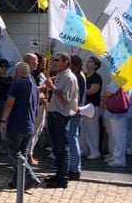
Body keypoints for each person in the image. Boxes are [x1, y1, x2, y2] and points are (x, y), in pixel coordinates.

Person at [0, 61, 41, 190]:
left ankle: (30, 176)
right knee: (22, 154)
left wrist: (3, 120)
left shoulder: (17, 84)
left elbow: (9, 103)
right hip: (29, 125)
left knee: (15, 154)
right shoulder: (34, 87)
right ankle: (17, 182)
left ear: (18, 72)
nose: (13, 73)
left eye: (15, 71)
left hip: (16, 124)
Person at [41, 53, 78, 188]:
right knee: (56, 148)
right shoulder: (59, 76)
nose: (53, 62)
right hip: (53, 114)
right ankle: (58, 174)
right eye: (53, 60)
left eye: (56, 60)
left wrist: (52, 87)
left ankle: (63, 179)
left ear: (66, 62)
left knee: (62, 148)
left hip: (61, 116)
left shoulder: (69, 78)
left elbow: (65, 101)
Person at [24, 53, 48, 167]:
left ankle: (30, 152)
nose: (40, 64)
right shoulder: (28, 75)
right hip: (35, 106)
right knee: (32, 131)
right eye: (38, 62)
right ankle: (28, 154)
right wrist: (43, 89)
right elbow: (31, 90)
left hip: (42, 105)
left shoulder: (41, 74)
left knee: (38, 131)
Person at [67, 55, 88, 180]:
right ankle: (73, 167)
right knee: (72, 138)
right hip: (76, 110)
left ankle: (75, 168)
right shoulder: (80, 75)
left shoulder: (78, 77)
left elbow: (76, 97)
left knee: (72, 139)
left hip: (74, 111)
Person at [102, 82, 132, 168]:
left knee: (118, 136)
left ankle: (119, 159)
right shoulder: (128, 79)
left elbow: (108, 94)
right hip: (119, 111)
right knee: (116, 135)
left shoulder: (118, 79)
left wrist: (102, 102)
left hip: (116, 112)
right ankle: (115, 156)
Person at [80, 57, 104, 161]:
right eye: (88, 61)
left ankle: (94, 152)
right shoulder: (84, 75)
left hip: (93, 106)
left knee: (92, 129)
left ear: (95, 65)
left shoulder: (96, 77)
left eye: (91, 62)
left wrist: (79, 91)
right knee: (83, 129)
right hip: (83, 106)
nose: (88, 63)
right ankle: (83, 150)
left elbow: (92, 91)